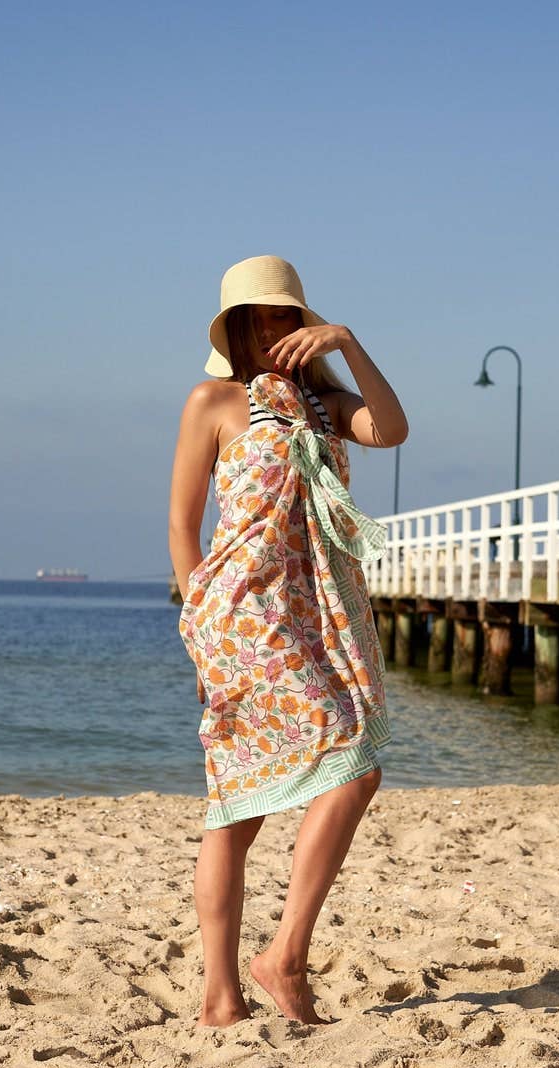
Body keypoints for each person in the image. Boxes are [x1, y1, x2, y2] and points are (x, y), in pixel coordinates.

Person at [168, 255, 408, 1026]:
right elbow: (181, 522)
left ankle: (258, 975)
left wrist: (349, 343)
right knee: (250, 800)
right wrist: (199, 623)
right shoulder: (213, 401)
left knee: (346, 767)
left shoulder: (327, 406)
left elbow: (394, 429)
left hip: (324, 609)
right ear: (236, 328)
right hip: (243, 614)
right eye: (259, 317)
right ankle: (238, 983)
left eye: (286, 315)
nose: (274, 329)